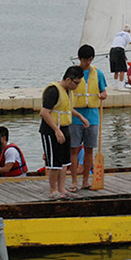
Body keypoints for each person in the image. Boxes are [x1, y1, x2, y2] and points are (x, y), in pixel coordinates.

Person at [40, 66, 89, 198]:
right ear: (68, 79)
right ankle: (53, 190)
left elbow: (67, 108)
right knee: (54, 162)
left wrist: (80, 117)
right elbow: (44, 113)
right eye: (76, 83)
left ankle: (62, 189)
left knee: (63, 162)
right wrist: (56, 130)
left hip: (65, 128)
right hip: (51, 130)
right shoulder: (53, 91)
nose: (77, 86)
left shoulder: (68, 92)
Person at [70, 45, 108, 191]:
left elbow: (103, 90)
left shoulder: (97, 73)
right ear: (79, 58)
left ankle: (86, 181)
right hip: (75, 116)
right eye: (85, 59)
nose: (88, 62)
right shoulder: (73, 73)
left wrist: (103, 94)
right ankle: (74, 181)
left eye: (90, 59)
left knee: (89, 150)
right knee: (74, 150)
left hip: (92, 116)